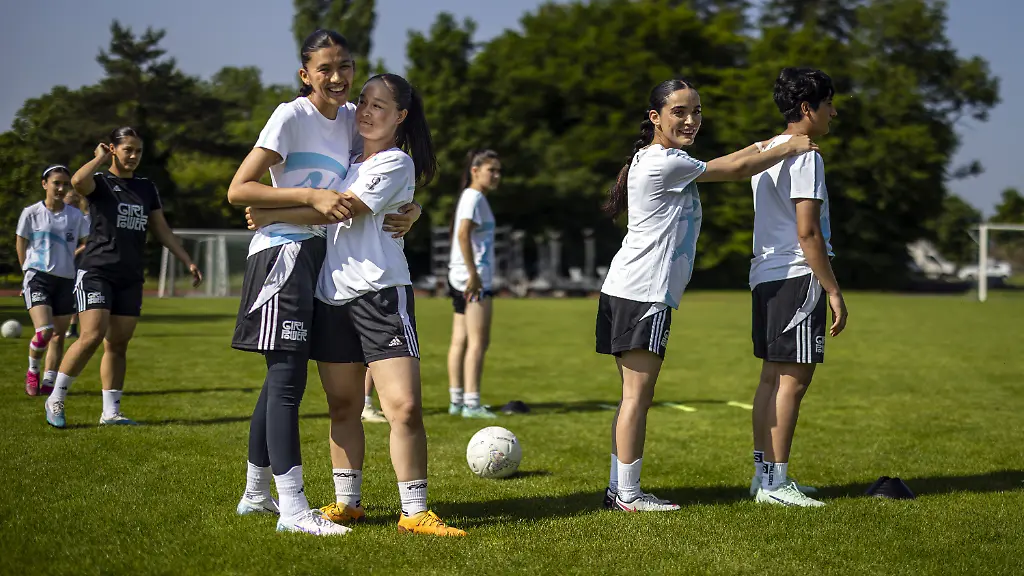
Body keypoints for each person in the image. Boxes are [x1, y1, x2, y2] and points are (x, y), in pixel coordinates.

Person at [247, 72, 466, 537]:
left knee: (403, 407)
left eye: (379, 106)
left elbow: (343, 207)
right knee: (343, 405)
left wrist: (268, 211)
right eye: (364, 102)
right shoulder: (347, 157)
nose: (365, 112)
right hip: (331, 296)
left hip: (381, 294)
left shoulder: (396, 162)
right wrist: (414, 209)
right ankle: (348, 503)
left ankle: (414, 511)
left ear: (400, 116)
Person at [227, 30, 421, 536]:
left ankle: (255, 494)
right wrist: (305, 200)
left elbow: (378, 170)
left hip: (318, 258)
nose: (337, 77)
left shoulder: (353, 118)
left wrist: (413, 208)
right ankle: (293, 511)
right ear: (305, 74)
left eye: (345, 66)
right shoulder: (291, 115)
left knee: (280, 379)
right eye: (325, 68)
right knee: (287, 382)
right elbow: (239, 190)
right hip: (283, 255)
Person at [596, 78, 818, 512]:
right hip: (643, 293)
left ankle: (619, 490)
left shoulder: (660, 158)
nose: (691, 120)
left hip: (628, 289)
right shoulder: (664, 163)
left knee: (632, 397)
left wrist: (771, 144)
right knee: (637, 398)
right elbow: (734, 169)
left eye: (696, 111)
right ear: (655, 117)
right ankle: (627, 495)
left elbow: (733, 159)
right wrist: (789, 147)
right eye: (679, 112)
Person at [43, 127, 203, 429]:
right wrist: (99, 159)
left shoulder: (146, 187)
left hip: (130, 275)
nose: (133, 156)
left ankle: (111, 412)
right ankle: (56, 397)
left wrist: (187, 260)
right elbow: (77, 182)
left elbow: (161, 228)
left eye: (138, 150)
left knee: (117, 343)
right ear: (113, 149)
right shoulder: (100, 182)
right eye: (127, 149)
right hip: (96, 270)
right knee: (91, 335)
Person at [748, 68, 846, 507]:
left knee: (771, 379)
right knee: (793, 382)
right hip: (796, 276)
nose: (833, 112)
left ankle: (763, 478)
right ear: (807, 108)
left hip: (765, 276)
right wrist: (833, 289)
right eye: (829, 104)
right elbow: (808, 232)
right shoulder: (807, 156)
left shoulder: (764, 150)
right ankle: (775, 484)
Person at [17, 165, 89, 396]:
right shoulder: (31, 213)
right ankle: (33, 371)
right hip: (37, 277)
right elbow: (21, 242)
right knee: (45, 330)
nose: (60, 188)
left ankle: (49, 381)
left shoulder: (75, 216)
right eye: (56, 183)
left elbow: (88, 241)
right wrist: (25, 273)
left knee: (58, 335)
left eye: (65, 184)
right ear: (44, 184)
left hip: (66, 279)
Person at [446, 149, 501, 418]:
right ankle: (471, 403)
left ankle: (456, 400)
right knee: (478, 342)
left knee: (460, 340)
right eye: (492, 170)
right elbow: (463, 234)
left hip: (460, 276)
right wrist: (474, 274)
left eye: (498, 171)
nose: (496, 176)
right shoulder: (474, 197)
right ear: (475, 171)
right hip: (473, 279)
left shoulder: (472, 197)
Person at [62, 187, 90, 339]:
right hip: (67, 261)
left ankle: (74, 328)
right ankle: (70, 327)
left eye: (67, 203)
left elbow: (88, 242)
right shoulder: (66, 219)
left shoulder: (83, 218)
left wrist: (74, 252)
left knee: (76, 294)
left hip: (81, 261)